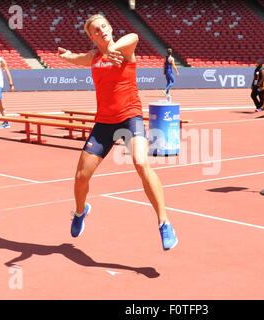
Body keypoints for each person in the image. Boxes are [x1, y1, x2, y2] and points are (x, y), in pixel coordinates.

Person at [58, 14, 178, 250]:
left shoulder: (124, 50)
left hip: (129, 117)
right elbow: (76, 58)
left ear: (110, 28)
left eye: (104, 26)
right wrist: (65, 55)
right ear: (91, 36)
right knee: (81, 176)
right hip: (104, 122)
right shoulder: (93, 56)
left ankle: (164, 223)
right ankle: (81, 212)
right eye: (96, 30)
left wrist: (113, 46)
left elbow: (133, 36)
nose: (101, 30)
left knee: (141, 164)